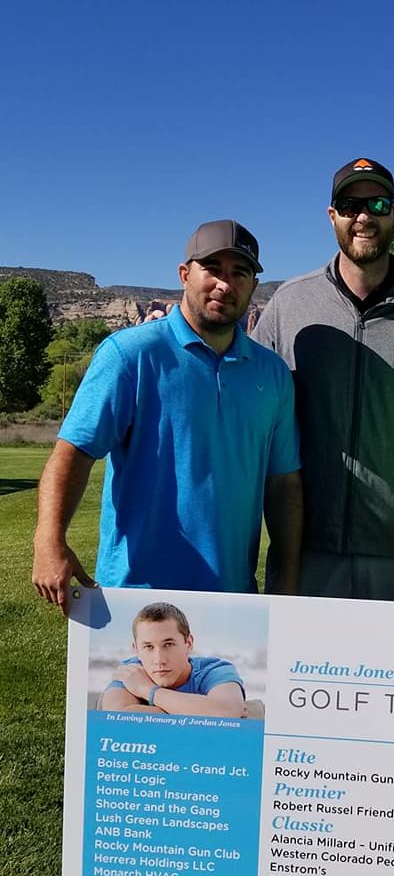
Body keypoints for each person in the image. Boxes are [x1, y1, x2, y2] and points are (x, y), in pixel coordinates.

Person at [32, 220, 302, 612]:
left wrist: (287, 581)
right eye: (212, 269)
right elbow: (73, 452)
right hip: (135, 597)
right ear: (184, 274)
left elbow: (284, 484)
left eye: (239, 273)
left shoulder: (272, 373)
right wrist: (49, 539)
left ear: (253, 286)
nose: (225, 285)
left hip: (234, 600)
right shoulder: (130, 355)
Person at [251, 158, 394, 603]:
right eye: (351, 205)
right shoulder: (289, 303)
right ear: (333, 216)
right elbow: (248, 417)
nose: (364, 216)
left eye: (378, 203)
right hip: (304, 552)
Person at [101, 601, 244, 718]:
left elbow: (226, 712)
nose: (159, 660)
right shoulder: (131, 672)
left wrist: (148, 690)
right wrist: (203, 712)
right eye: (148, 647)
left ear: (188, 644)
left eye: (168, 644)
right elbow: (118, 718)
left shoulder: (215, 670)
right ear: (136, 650)